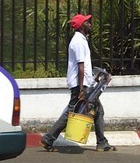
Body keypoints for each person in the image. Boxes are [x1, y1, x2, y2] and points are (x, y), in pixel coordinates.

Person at [41, 13, 114, 152]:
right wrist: (81, 89)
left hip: (82, 83)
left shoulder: (81, 40)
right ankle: (48, 138)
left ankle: (102, 142)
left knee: (97, 110)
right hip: (79, 85)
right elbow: (81, 65)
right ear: (81, 26)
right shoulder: (79, 42)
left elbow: (84, 66)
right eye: (87, 22)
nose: (90, 24)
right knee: (72, 112)